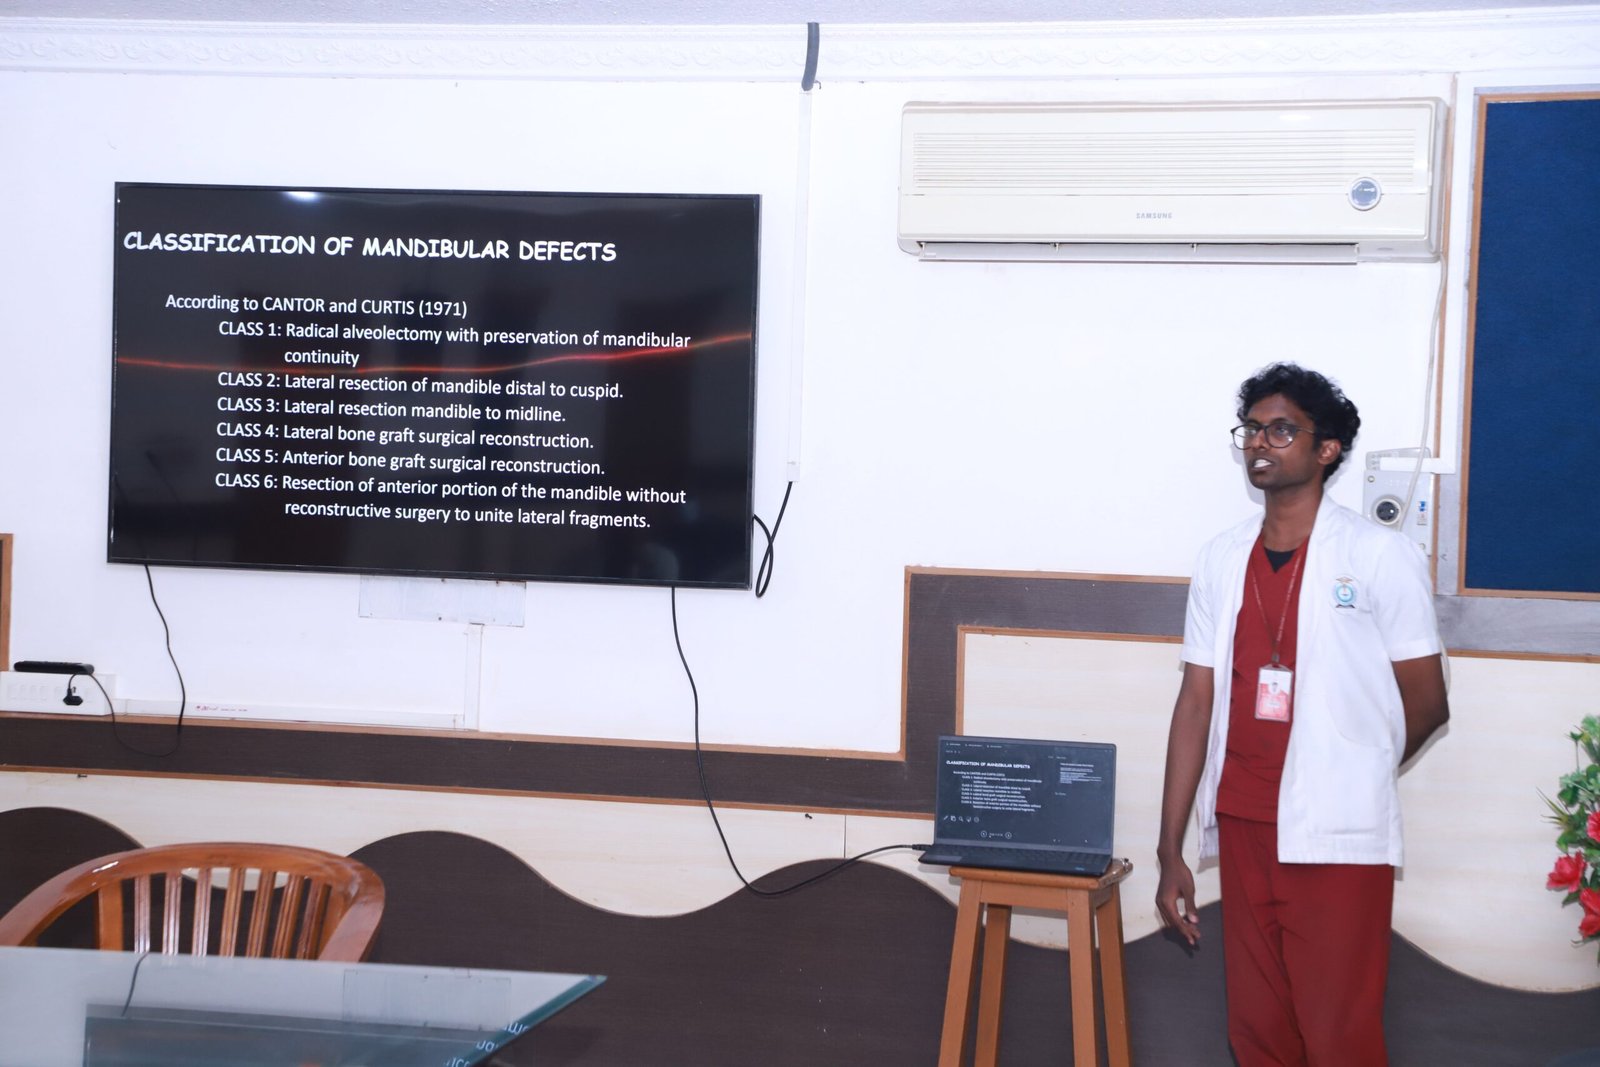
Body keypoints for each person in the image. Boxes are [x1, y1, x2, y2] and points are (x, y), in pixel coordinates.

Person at [1155, 362, 1449, 1066]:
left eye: (1282, 429)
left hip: (1337, 836)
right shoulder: (1221, 559)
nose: (1260, 442)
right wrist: (1169, 850)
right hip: (1243, 822)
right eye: (1252, 429)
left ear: (1327, 449)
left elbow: (1429, 702)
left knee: (1338, 1033)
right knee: (1259, 1031)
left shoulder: (1379, 555)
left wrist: (1356, 768)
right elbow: (1195, 703)